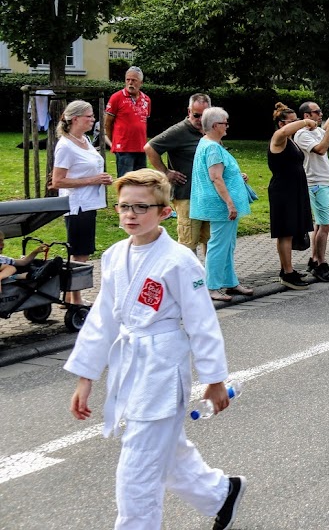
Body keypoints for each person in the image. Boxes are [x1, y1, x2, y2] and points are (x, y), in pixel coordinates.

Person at [64, 169, 246, 530]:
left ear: (164, 212)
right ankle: (221, 493)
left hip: (161, 368)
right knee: (166, 453)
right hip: (131, 365)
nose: (130, 214)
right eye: (124, 207)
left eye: (141, 207)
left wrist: (213, 378)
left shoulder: (179, 260)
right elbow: (103, 319)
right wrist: (86, 377)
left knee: (138, 470)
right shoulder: (115, 255)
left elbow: (202, 322)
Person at [190, 107, 255, 301]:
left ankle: (229, 281)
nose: (227, 126)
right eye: (225, 123)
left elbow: (220, 173)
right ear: (216, 125)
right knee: (219, 245)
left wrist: (236, 175)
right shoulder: (212, 147)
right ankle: (212, 286)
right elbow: (216, 178)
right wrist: (230, 203)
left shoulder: (208, 143)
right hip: (220, 205)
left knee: (228, 244)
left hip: (218, 204)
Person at [52, 100, 112, 306]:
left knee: (83, 251)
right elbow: (57, 180)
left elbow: (89, 168)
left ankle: (71, 295)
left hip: (90, 204)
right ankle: (75, 300)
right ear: (75, 118)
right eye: (89, 116)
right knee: (79, 253)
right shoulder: (65, 146)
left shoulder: (84, 140)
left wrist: (102, 178)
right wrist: (93, 180)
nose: (93, 119)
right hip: (76, 205)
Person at [145, 93, 212, 254]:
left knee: (210, 241)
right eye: (196, 115)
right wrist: (166, 172)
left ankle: (210, 278)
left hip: (209, 195)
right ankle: (188, 278)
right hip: (187, 195)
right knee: (188, 243)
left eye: (205, 115)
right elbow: (150, 148)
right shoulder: (179, 131)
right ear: (189, 111)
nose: (200, 119)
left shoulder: (211, 130)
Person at [293, 102, 329, 282]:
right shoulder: (302, 134)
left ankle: (314, 260)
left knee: (319, 225)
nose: (321, 114)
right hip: (315, 182)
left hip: (325, 181)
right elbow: (321, 150)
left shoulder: (318, 131)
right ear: (307, 116)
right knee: (325, 225)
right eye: (317, 112)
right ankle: (321, 264)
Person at [268, 104, 316, 288]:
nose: (298, 124)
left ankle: (287, 269)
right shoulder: (278, 138)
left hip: (294, 190)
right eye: (293, 121)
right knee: (285, 232)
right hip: (283, 191)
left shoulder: (291, 140)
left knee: (289, 231)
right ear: (281, 123)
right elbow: (284, 132)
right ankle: (287, 273)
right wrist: (304, 121)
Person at [104, 66, 151, 177]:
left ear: (141, 82)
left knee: (141, 181)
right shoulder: (116, 97)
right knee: (126, 180)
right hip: (124, 148)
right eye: (128, 80)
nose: (130, 83)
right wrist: (114, 142)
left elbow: (143, 123)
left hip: (141, 147)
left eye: (134, 80)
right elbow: (107, 123)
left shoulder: (147, 100)